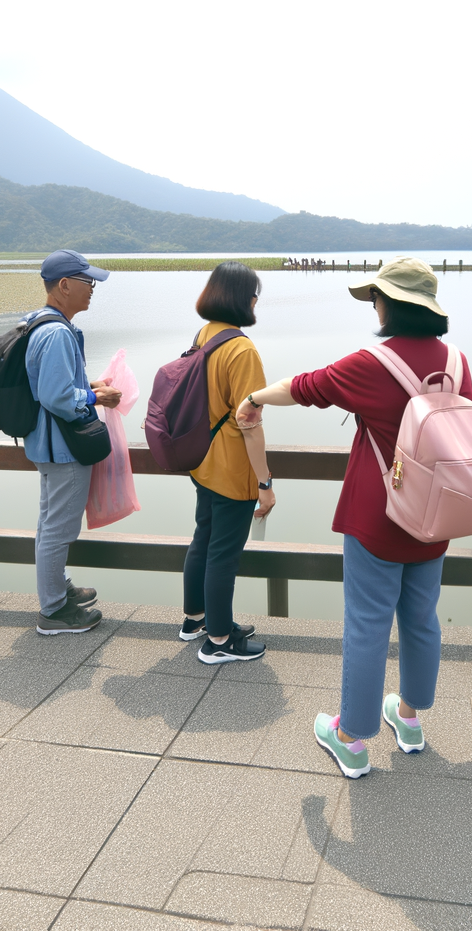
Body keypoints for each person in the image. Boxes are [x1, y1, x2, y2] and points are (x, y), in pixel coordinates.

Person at [237, 257, 472, 778]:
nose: (374, 306)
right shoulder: (456, 362)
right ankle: (408, 720)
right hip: (436, 516)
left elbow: (304, 386)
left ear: (389, 304)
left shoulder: (373, 363)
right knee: (421, 617)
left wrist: (253, 399)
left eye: (376, 298)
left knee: (367, 626)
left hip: (379, 518)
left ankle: (350, 738)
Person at [25, 250, 123, 635]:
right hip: (63, 447)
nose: (93, 288)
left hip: (46, 443)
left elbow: (51, 385)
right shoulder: (56, 333)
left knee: (50, 523)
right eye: (88, 282)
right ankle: (53, 612)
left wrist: (89, 385)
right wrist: (96, 397)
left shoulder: (38, 322)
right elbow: (57, 397)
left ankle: (57, 589)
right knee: (59, 528)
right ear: (64, 285)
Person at [180, 262, 271, 663]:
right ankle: (218, 641)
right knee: (223, 554)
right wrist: (264, 483)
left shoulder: (204, 336)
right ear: (246, 299)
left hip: (202, 462)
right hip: (232, 469)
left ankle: (196, 620)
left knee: (203, 539)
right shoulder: (242, 349)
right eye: (255, 295)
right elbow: (250, 424)